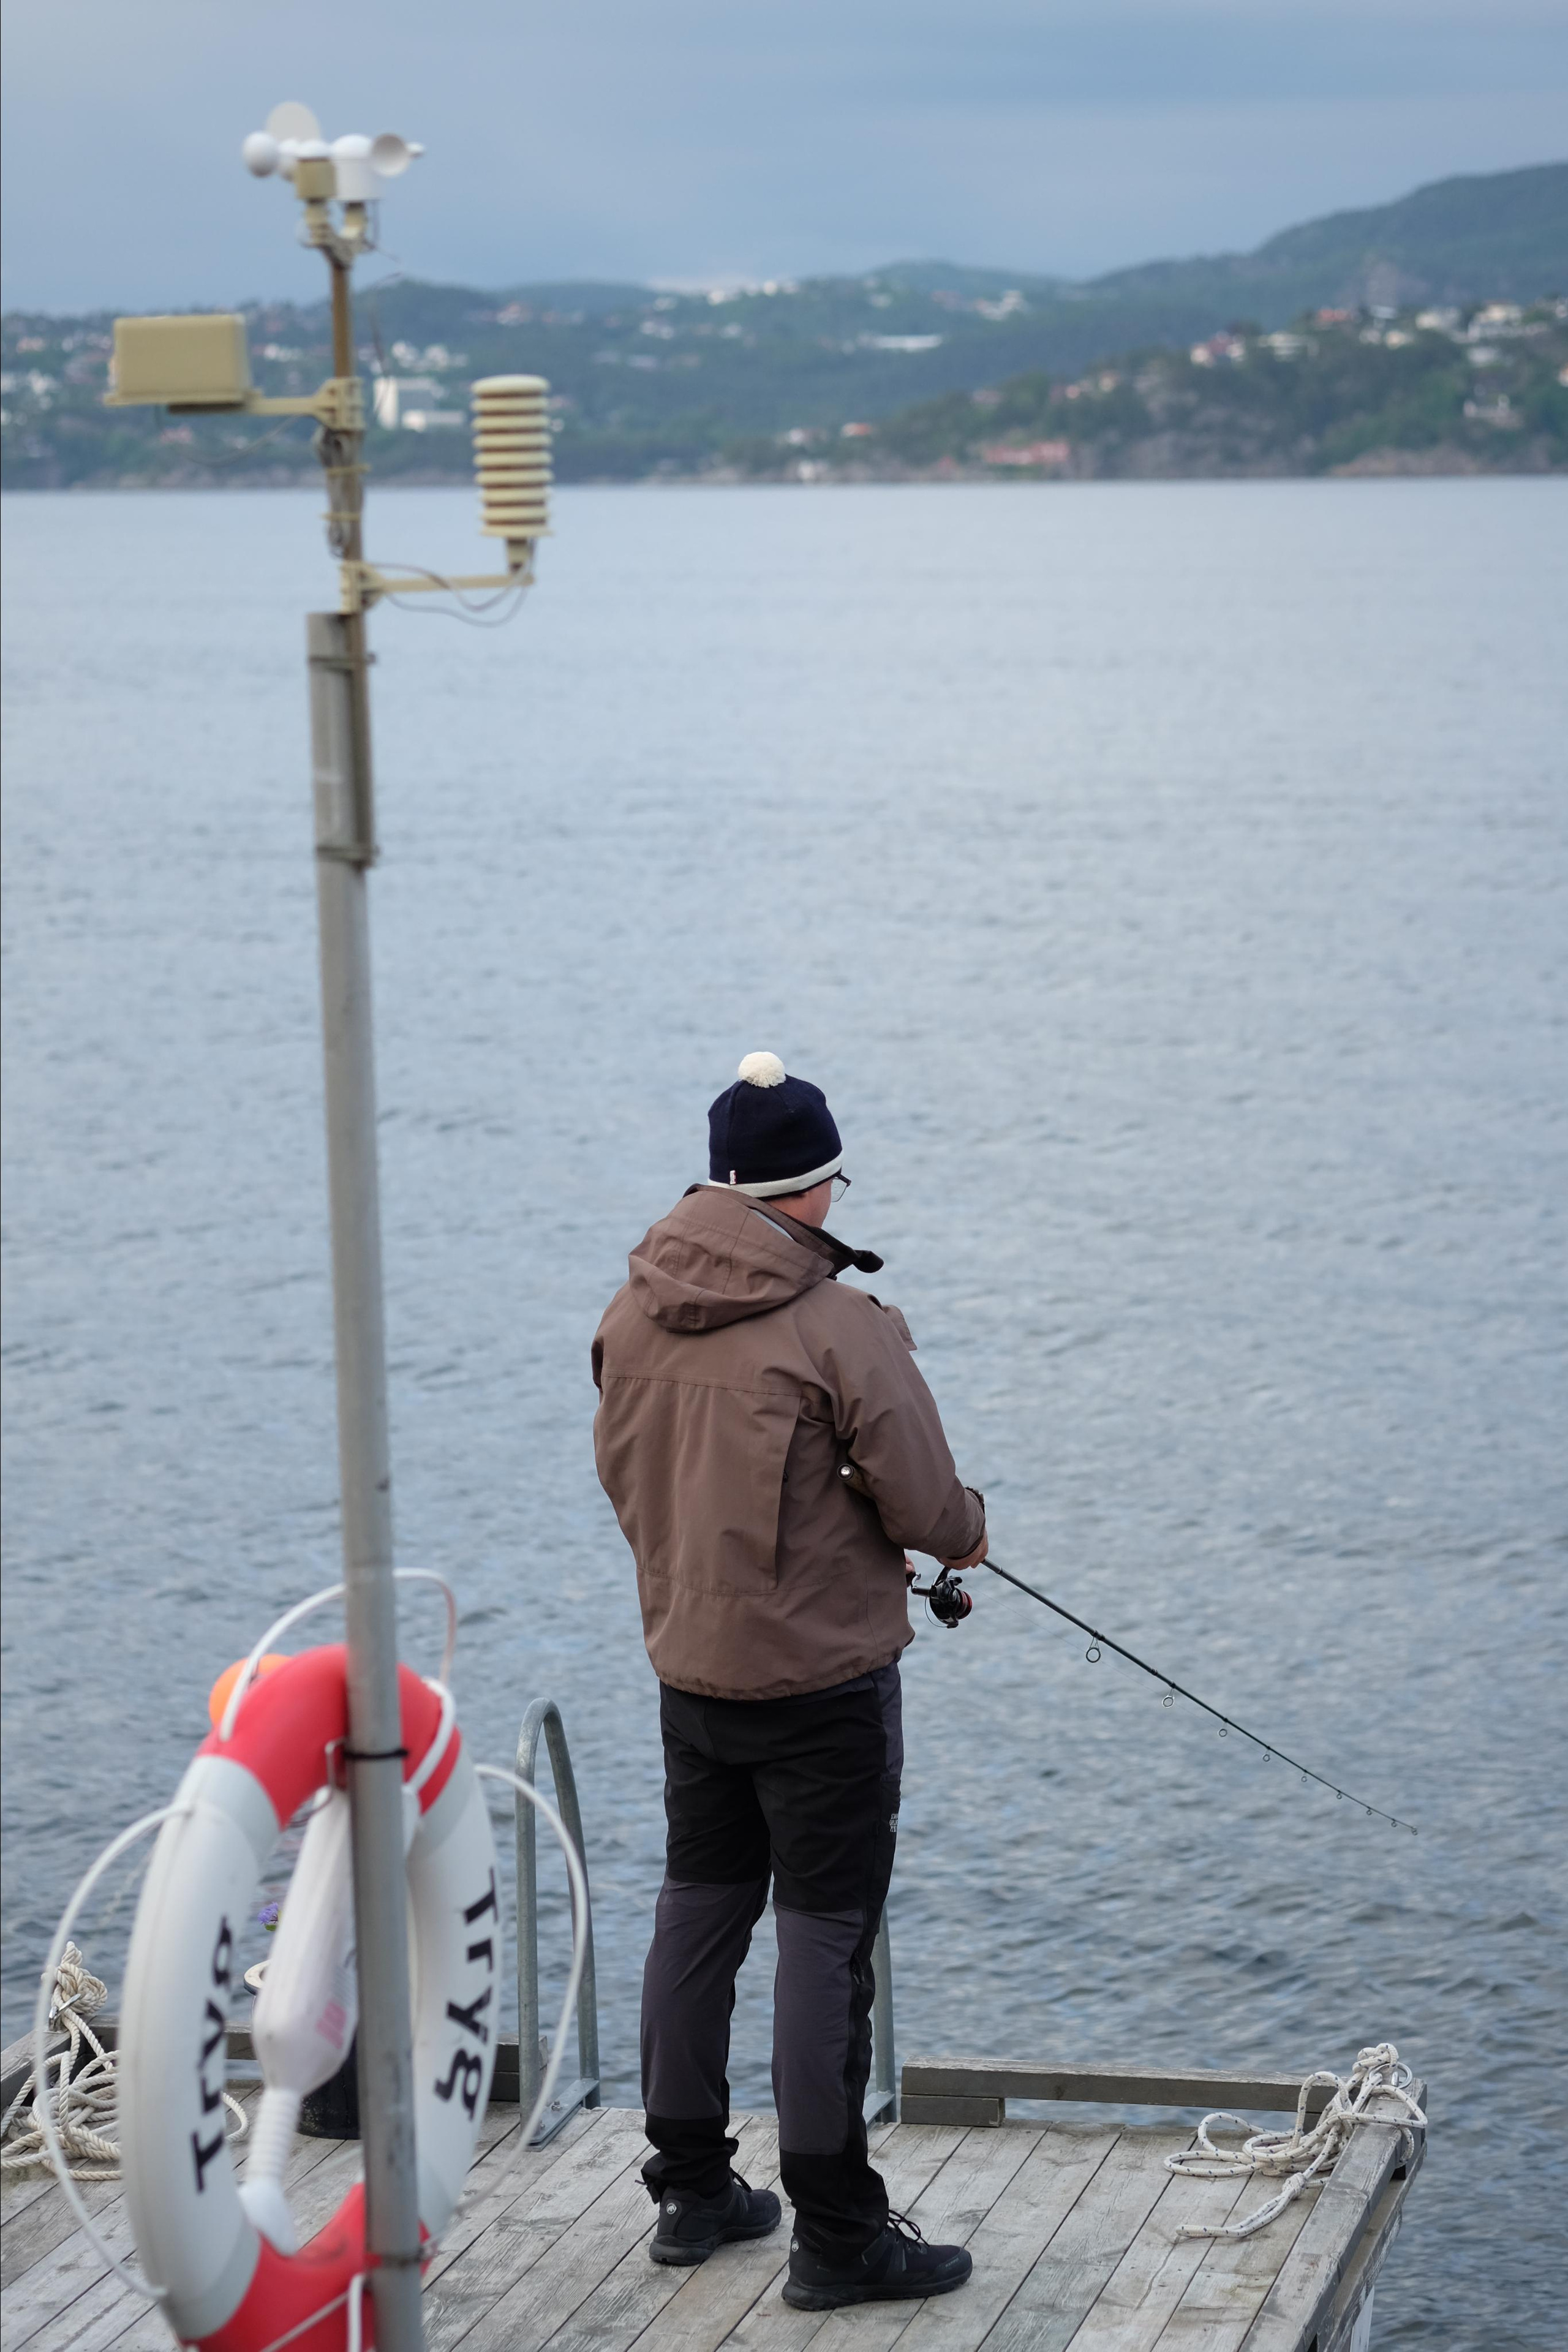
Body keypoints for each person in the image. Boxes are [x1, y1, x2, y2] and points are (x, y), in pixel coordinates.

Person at [592, 1051, 988, 2309]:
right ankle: (834, 2234)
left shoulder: (629, 1309)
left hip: (690, 1673)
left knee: (696, 1911)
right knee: (824, 1943)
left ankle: (692, 2192)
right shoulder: (837, 1327)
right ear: (812, 1188)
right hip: (821, 1690)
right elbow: (927, 1504)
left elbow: (627, 1479)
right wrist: (964, 1535)